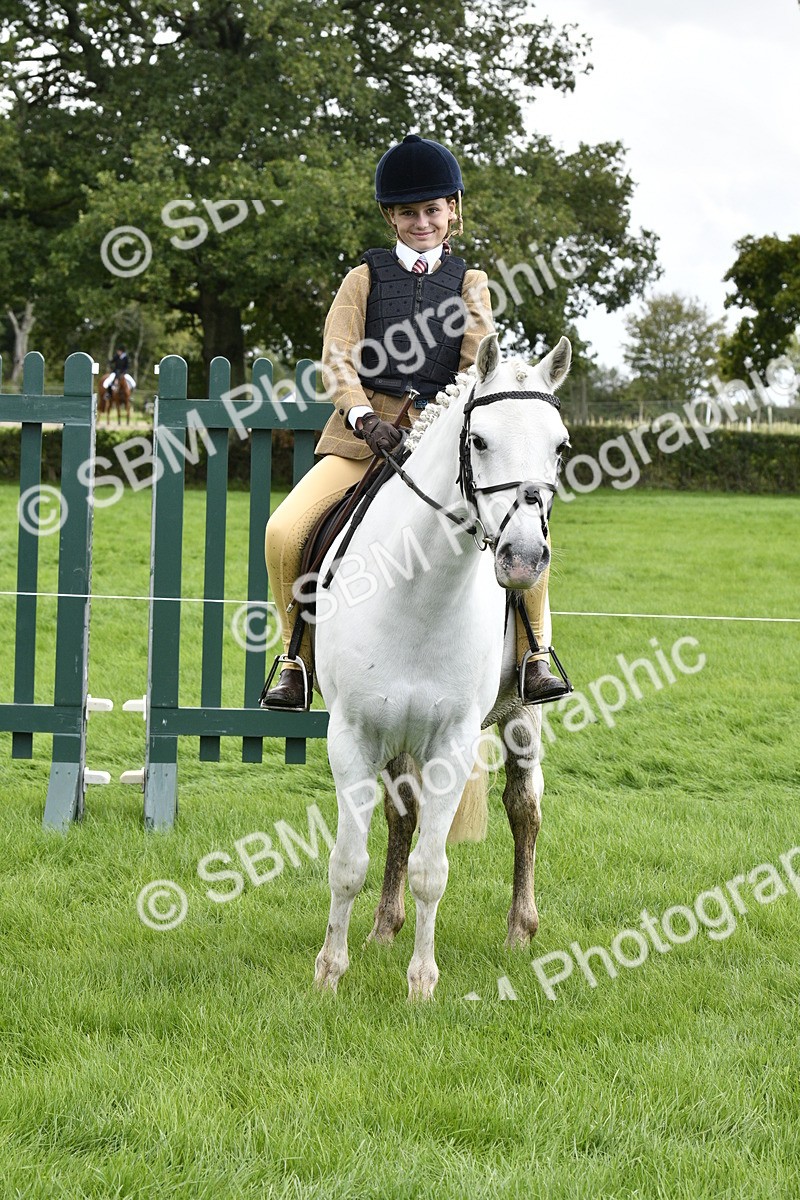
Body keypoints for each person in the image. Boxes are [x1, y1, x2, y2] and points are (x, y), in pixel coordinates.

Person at [262, 134, 569, 710]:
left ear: (452, 209)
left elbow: (477, 362)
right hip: (361, 443)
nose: (421, 221)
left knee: (522, 530)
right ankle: (293, 659)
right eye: (408, 212)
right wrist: (361, 415)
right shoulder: (363, 278)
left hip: (438, 447)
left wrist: (431, 423)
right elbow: (337, 356)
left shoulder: (470, 283)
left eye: (432, 209)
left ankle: (535, 655)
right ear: (390, 217)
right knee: (284, 531)